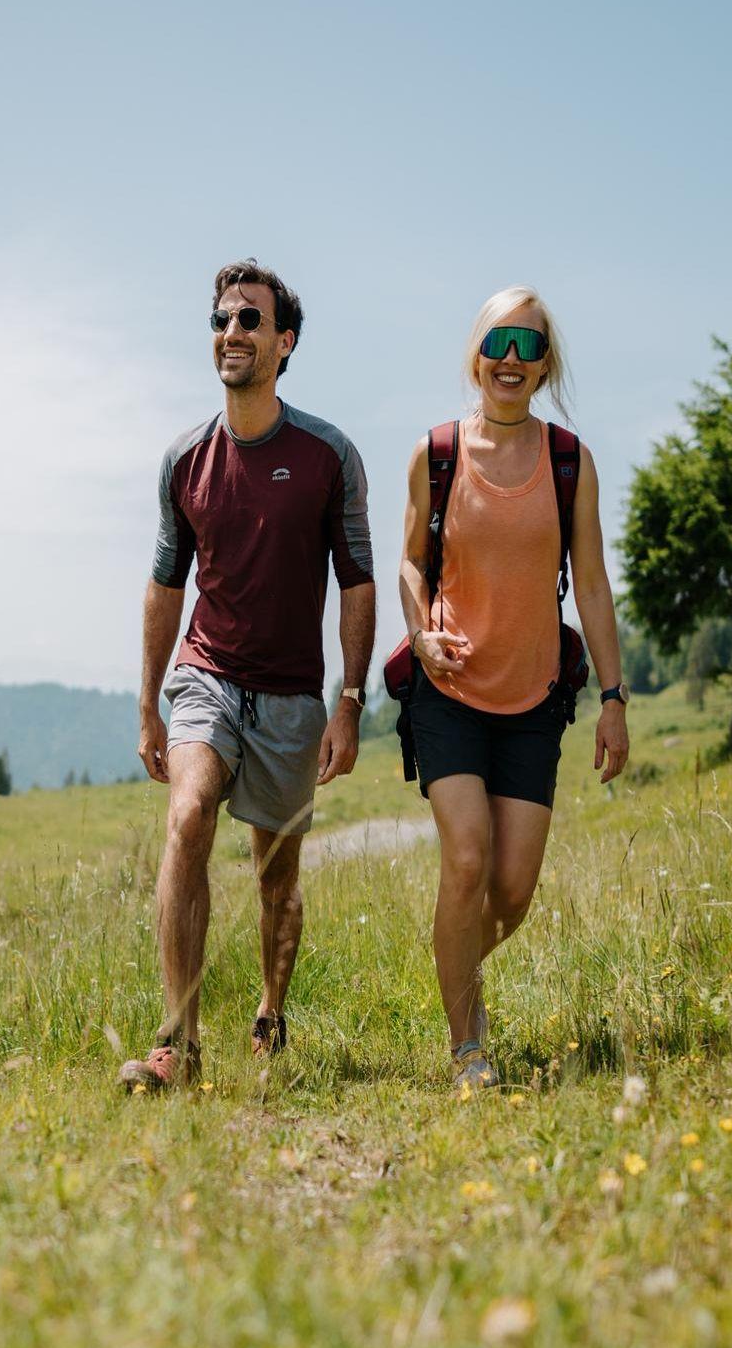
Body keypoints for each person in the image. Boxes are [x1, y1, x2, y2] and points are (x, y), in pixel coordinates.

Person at [119, 260, 377, 1092]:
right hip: (207, 676)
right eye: (221, 320)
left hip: (294, 693)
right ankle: (178, 1041)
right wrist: (150, 704)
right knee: (187, 816)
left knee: (277, 878)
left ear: (284, 341)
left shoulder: (330, 456)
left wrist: (348, 702)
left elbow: (358, 581)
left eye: (250, 320)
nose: (232, 332)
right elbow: (165, 585)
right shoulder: (184, 460)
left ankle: (270, 1013)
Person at [397, 286, 630, 1090]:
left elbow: (591, 584)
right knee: (467, 859)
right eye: (498, 342)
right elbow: (411, 564)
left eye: (529, 346)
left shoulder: (570, 462)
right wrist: (421, 633)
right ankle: (468, 1046)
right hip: (449, 692)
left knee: (513, 891)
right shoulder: (436, 454)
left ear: (546, 366)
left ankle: (452, 961)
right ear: (477, 356)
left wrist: (613, 699)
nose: (511, 359)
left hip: (534, 701)